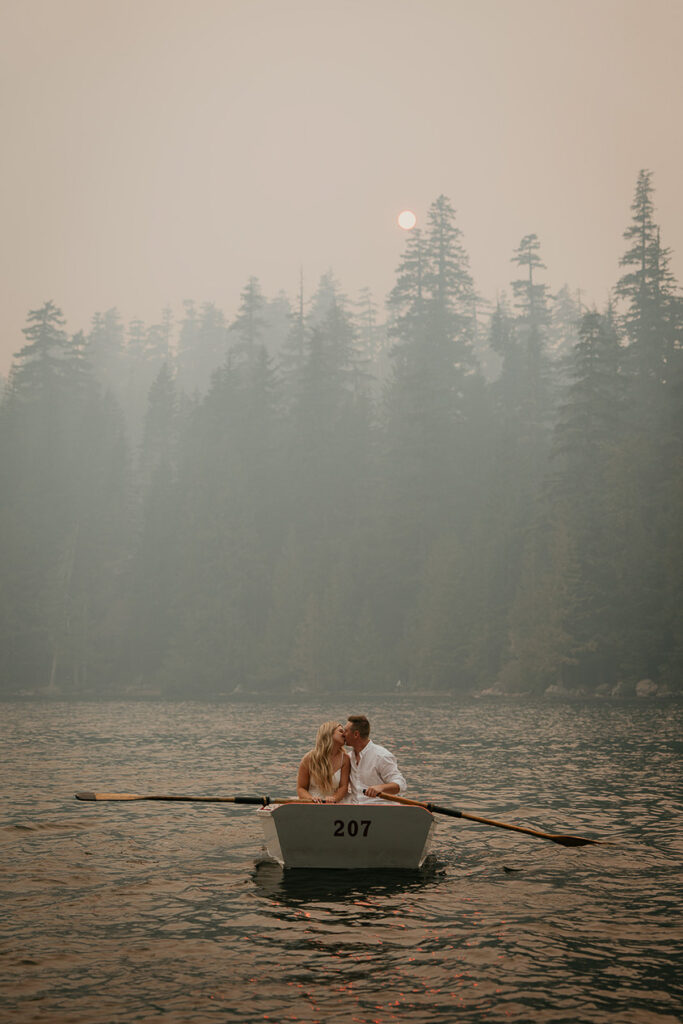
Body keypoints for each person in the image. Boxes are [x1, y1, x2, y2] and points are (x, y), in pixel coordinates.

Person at [343, 715, 406, 804]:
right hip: (356, 811)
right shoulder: (348, 757)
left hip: (380, 809)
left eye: (346, 731)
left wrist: (381, 788)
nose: (343, 734)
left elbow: (400, 784)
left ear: (356, 734)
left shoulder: (381, 756)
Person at [297, 721, 351, 803]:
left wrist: (334, 798)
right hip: (312, 804)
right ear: (328, 733)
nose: (344, 734)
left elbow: (343, 787)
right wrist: (311, 799)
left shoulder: (345, 759)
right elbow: (301, 788)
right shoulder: (309, 758)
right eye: (340, 731)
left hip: (335, 804)